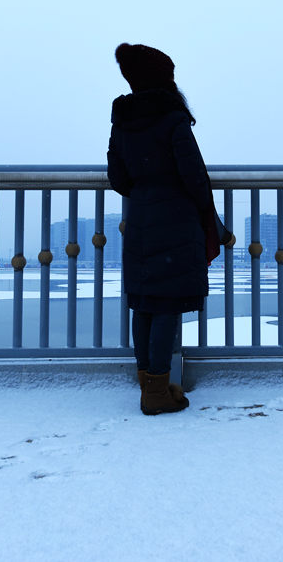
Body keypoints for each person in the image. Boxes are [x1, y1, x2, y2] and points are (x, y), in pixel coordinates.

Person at [107, 42, 225, 415]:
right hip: (174, 220)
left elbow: (118, 177)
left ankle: (149, 383)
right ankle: (157, 392)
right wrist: (207, 213)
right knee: (167, 303)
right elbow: (194, 176)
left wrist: (146, 190)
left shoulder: (123, 120)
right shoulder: (172, 118)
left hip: (141, 219)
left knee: (143, 303)